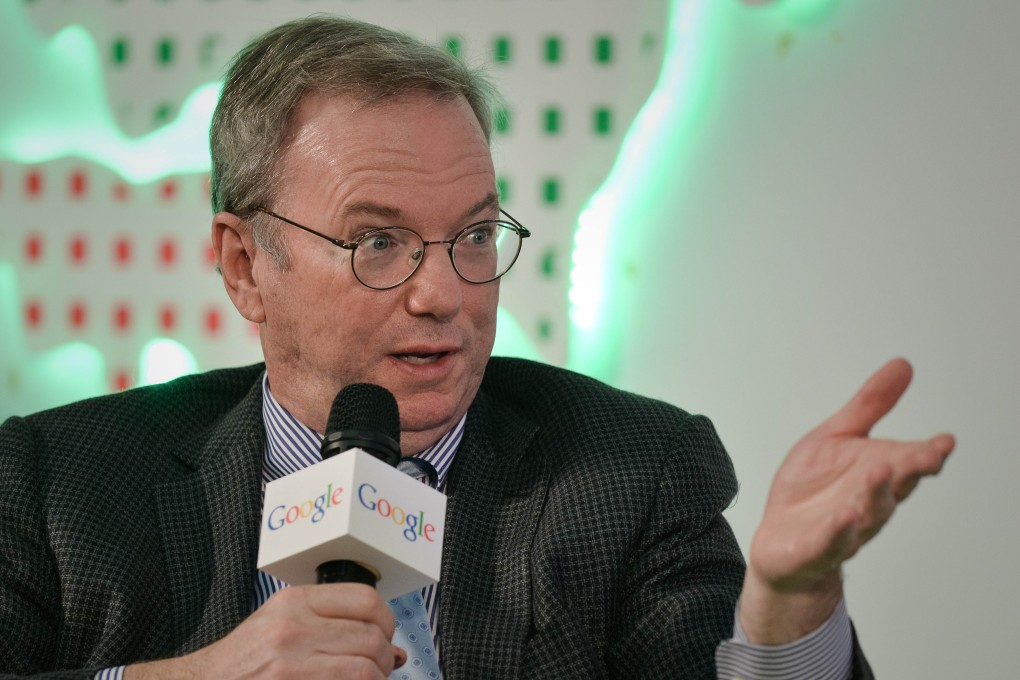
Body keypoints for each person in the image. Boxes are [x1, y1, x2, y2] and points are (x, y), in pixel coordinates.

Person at [0, 15, 953, 680]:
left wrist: (788, 609)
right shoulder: (56, 486)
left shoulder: (630, 472)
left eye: (474, 235)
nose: (445, 294)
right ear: (245, 266)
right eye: (378, 242)